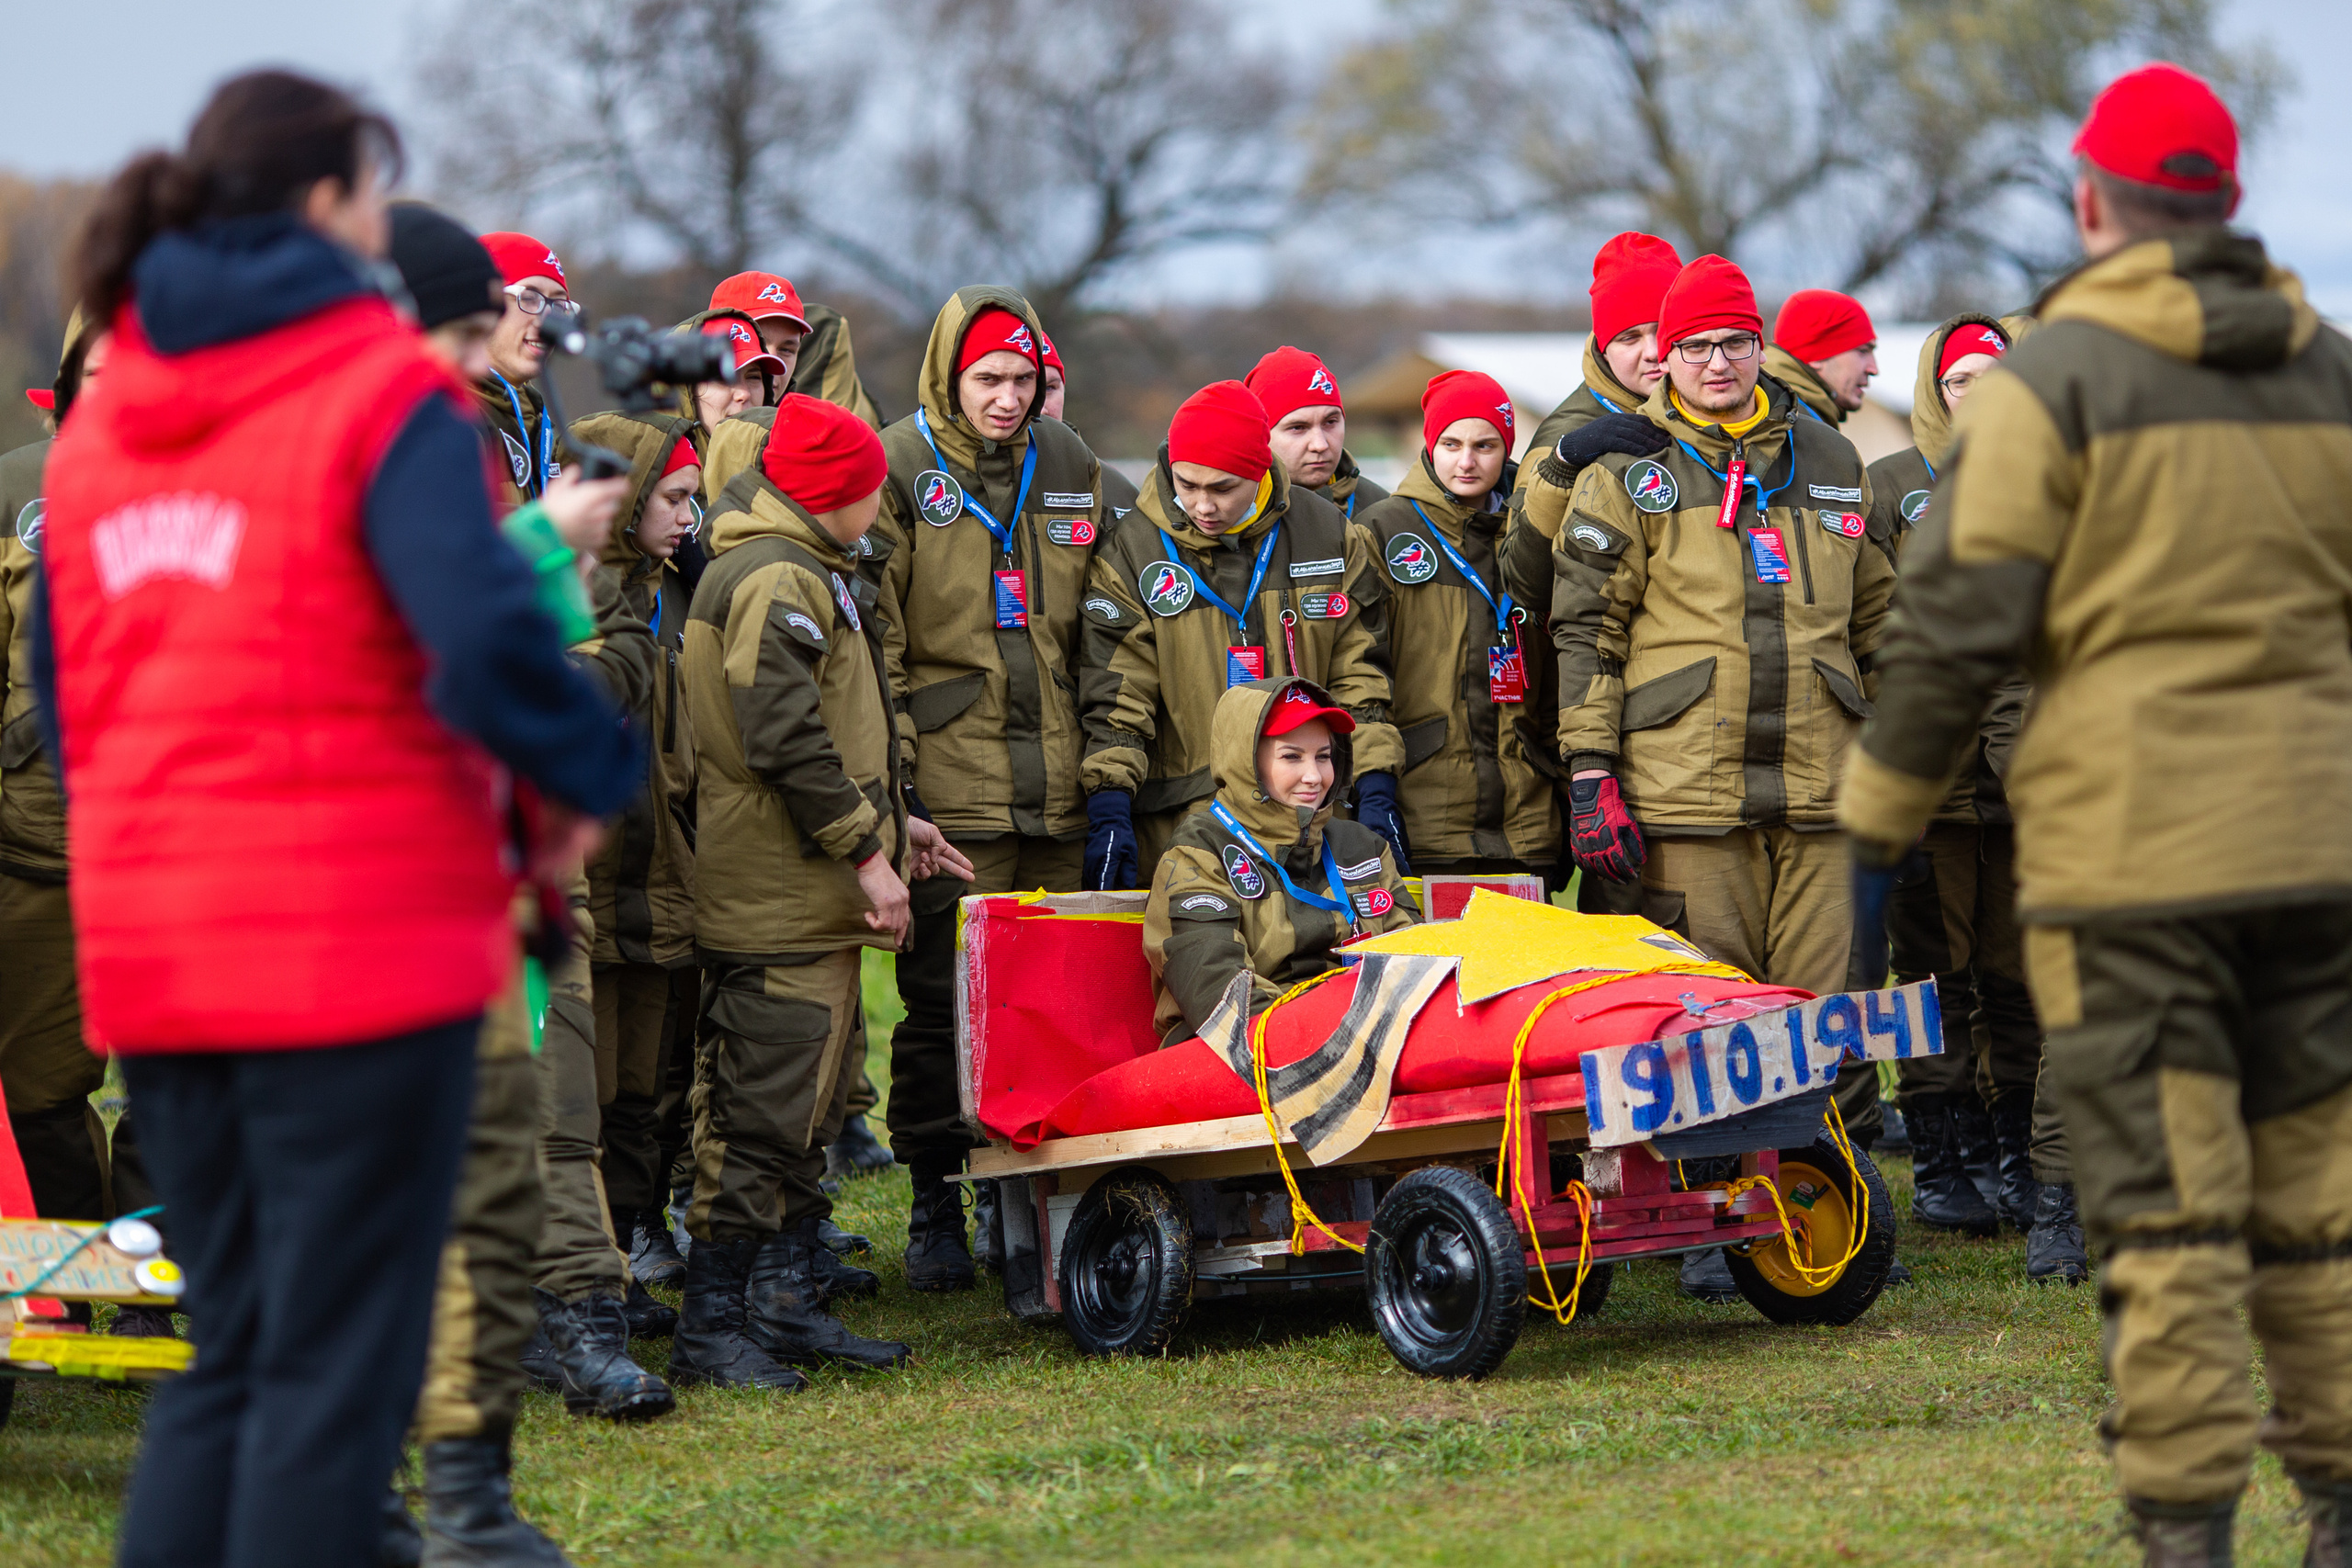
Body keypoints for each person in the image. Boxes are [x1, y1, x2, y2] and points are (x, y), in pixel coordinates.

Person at [32, 73, 637, 1568]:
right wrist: (592, 774)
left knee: (234, 1355)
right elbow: (480, 637)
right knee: (329, 1371)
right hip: (345, 958)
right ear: (324, 204)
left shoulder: (103, 431)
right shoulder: (376, 397)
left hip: (160, 966)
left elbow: (64, 701)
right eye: (374, 189)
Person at [1838, 63, 2352, 1563]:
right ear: (2231, 201)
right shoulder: (2328, 367)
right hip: (2317, 848)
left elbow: (1952, 630)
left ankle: (2187, 1534)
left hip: (2134, 859)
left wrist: (1877, 825)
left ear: (2090, 206)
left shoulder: (2058, 380)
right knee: (2319, 1198)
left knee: (2167, 1214)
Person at [1549, 252, 1895, 1301]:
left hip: (1825, 789)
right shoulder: (1631, 469)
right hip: (1685, 795)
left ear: (1759, 347)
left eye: (1734, 343)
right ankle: (1703, 1225)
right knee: (1700, 1024)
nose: (1714, 363)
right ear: (1666, 355)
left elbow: (1880, 620)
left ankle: (1813, 1215)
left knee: (1823, 1019)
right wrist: (1590, 772)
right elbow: (1585, 633)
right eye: (1694, 346)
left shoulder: (1828, 456)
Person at [385, 197, 636, 1565]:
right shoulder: (413, 438)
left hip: (511, 820)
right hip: (419, 848)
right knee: (445, 1128)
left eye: (542, 303)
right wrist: (546, 545)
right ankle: (427, 1458)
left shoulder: (515, 427)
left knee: (550, 1084)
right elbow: (434, 620)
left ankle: (559, 1332)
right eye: (508, 303)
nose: (535, 324)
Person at [674, 393, 969, 1388]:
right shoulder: (775, 575)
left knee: (801, 1112)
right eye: (870, 490)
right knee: (761, 1115)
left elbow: (831, 728)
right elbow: (784, 739)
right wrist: (865, 855)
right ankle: (713, 1328)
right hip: (777, 896)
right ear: (833, 493)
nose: (880, 506)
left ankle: (785, 1303)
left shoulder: (808, 564)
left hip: (809, 893)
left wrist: (898, 825)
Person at [872, 288, 1111, 1290]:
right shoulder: (897, 464)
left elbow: (1104, 625)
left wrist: (1102, 777)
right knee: (943, 1004)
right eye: (988, 379)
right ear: (948, 376)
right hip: (953, 788)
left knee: (1056, 1004)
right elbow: (878, 646)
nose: (1008, 399)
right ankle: (936, 1195)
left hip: (1056, 784)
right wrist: (901, 792)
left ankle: (1038, 1203)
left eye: (1023, 379)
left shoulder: (1069, 461)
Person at [1860, 313, 2078, 1275]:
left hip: (2028, 776)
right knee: (1932, 974)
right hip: (1935, 781)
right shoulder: (1889, 488)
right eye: (1960, 383)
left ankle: (2020, 1155)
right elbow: (1871, 632)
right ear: (1935, 392)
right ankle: (1945, 1156)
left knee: (2018, 972)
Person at [0, 311, 170, 1340]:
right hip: (36, 849)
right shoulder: (16, 486)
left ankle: (149, 1291)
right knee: (41, 1088)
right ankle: (63, 1284)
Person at [1080, 380, 1405, 888]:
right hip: (1188, 821)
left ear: (1259, 472)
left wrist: (1375, 786)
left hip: (1313, 820)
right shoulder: (1133, 549)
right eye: (1187, 484)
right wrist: (1110, 804)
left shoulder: (1327, 534)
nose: (1202, 505)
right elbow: (1118, 697)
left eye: (1222, 488)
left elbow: (1360, 676)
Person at [564, 412, 716, 1326]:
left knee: (638, 1094)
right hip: (588, 881)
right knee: (578, 1097)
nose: (687, 519)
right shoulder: (573, 595)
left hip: (660, 881)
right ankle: (580, 1275)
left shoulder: (676, 593)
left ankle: (624, 1250)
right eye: (673, 499)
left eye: (693, 500)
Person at [1504, 232, 1681, 916]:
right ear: (1603, 346)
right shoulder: (1568, 431)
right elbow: (1522, 580)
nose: (1652, 351)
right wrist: (1565, 466)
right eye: (1630, 336)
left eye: (1663, 329)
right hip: (1609, 716)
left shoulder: (1714, 407)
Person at [1353, 371, 1558, 880]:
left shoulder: (1534, 527)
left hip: (1527, 819)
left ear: (1506, 449)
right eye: (1451, 444)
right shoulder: (1382, 529)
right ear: (1430, 444)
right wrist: (1375, 789)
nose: (1466, 462)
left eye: (1485, 446)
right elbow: (1361, 668)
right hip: (1426, 814)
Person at [1145, 678, 1418, 1043]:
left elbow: (1419, 961)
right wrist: (1331, 1037)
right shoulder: (1199, 850)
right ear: (1245, 762)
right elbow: (1218, 992)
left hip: (1365, 1033)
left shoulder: (1362, 846)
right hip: (1237, 1048)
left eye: (1323, 756)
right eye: (1292, 757)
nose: (1314, 776)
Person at [477, 231, 572, 503]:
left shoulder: (540, 423)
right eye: (529, 298)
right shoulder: (446, 415)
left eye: (558, 306)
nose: (546, 321)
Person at [1242, 345, 1389, 518]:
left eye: (1330, 422)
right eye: (1298, 427)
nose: (1320, 445)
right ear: (1261, 436)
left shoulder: (1382, 513)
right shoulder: (1228, 514)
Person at [1039, 326, 1138, 514]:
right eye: (1025, 385)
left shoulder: (1115, 492)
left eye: (1050, 388)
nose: (1041, 408)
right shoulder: (976, 487)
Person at [1763, 288, 1879, 427]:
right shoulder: (1788, 425)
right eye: (1863, 351)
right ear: (1815, 357)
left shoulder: (1787, 414)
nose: (1874, 369)